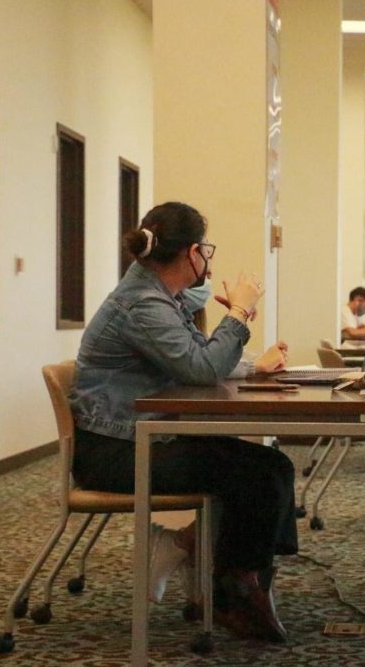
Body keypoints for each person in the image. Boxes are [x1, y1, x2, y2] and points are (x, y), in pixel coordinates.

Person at [69, 201, 295, 643]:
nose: (208, 260)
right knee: (257, 476)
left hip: (143, 437)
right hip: (116, 454)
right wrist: (240, 314)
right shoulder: (141, 304)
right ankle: (233, 589)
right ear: (193, 253)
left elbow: (200, 357)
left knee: (273, 466)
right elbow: (200, 368)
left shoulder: (160, 296)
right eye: (206, 250)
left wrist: (253, 369)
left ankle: (219, 565)